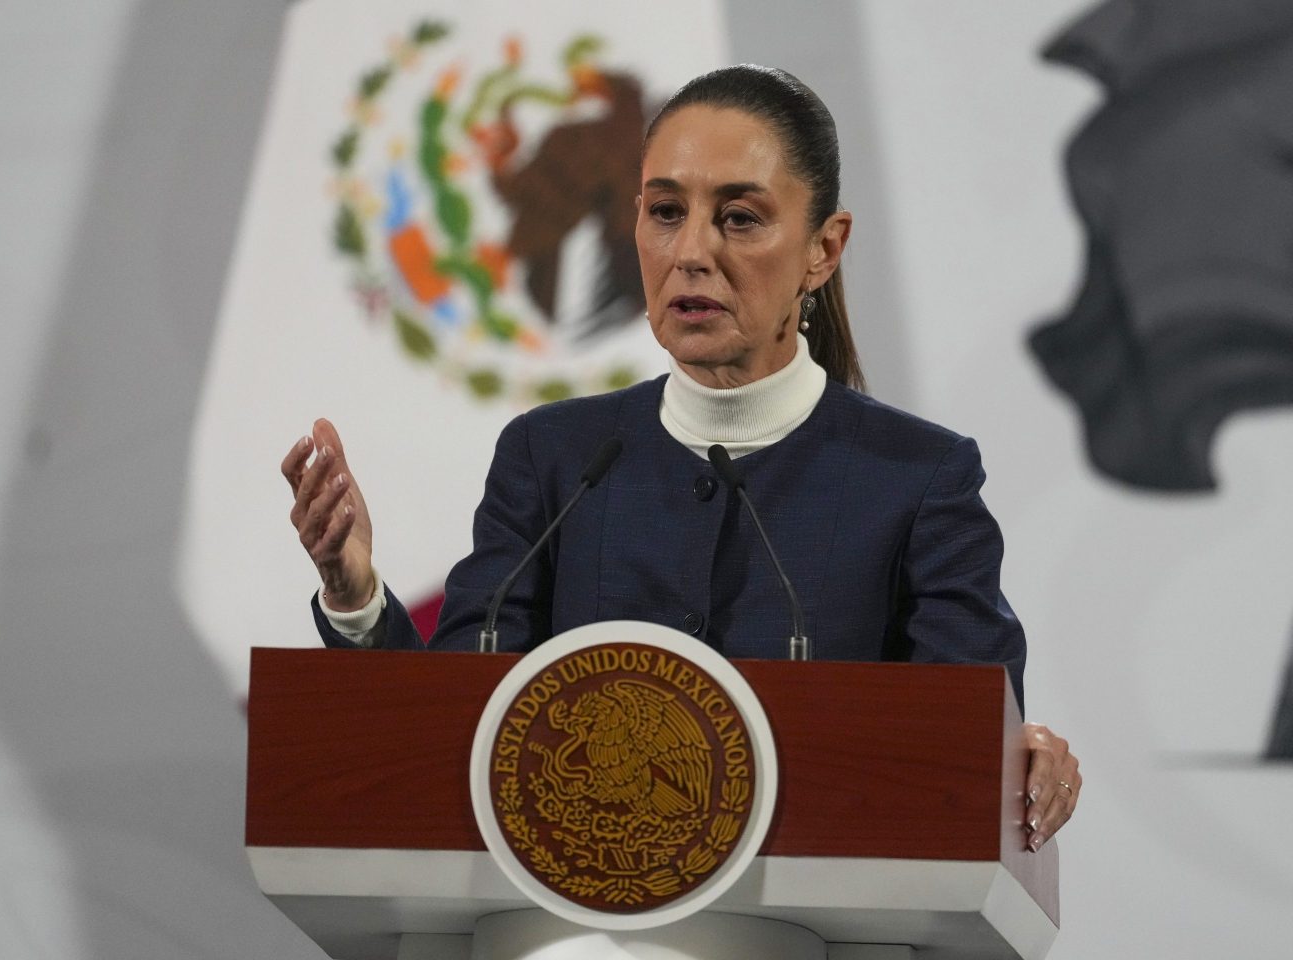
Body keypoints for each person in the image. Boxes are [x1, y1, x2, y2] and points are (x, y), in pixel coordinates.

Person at [280, 65, 1081, 851]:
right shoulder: (553, 459)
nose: (691, 251)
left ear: (823, 248)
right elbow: (451, 735)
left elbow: (958, 753)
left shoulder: (918, 480)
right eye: (666, 211)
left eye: (738, 218)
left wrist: (1007, 754)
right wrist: (357, 601)